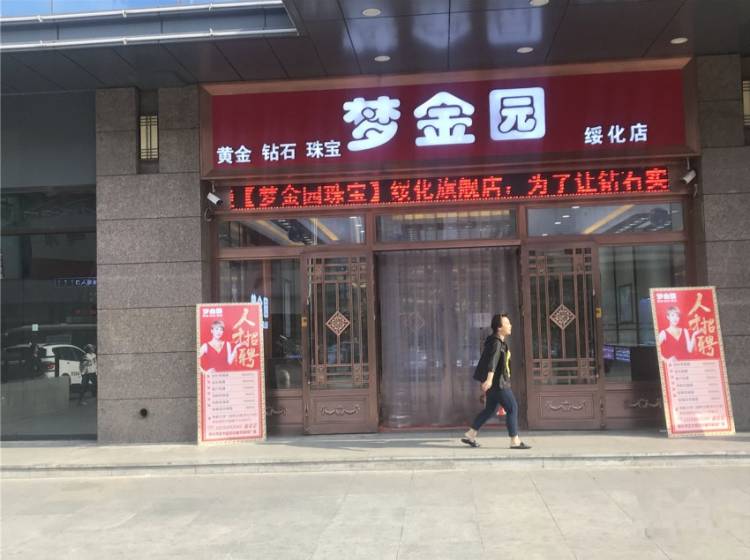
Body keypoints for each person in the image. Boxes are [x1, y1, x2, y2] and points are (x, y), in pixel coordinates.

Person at [461, 313, 531, 449]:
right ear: (499, 328)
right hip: (499, 383)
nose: (510, 325)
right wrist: (489, 380)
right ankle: (515, 440)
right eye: (507, 323)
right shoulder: (496, 343)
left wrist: (488, 381)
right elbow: (492, 361)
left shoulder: (495, 342)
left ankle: (470, 434)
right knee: (512, 407)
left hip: (494, 383)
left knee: (490, 410)